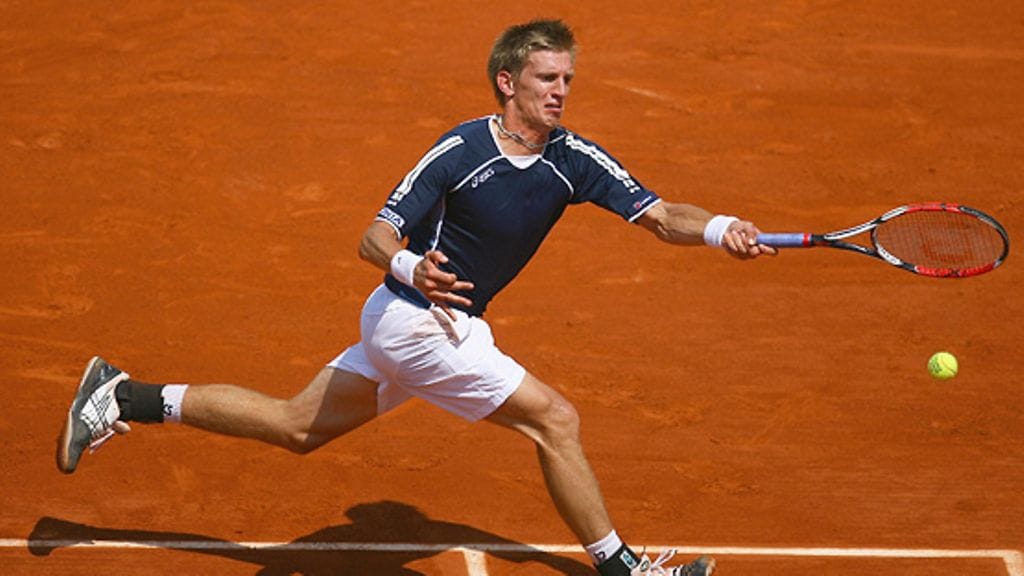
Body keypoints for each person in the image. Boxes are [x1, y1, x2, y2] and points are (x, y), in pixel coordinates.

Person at [57, 19, 776, 576]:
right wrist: (411, 268)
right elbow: (374, 236)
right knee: (554, 420)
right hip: (420, 322)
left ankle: (122, 397)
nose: (560, 91)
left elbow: (657, 216)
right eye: (546, 78)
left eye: (567, 79)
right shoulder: (461, 152)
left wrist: (720, 228)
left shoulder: (573, 160)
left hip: (425, 328)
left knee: (294, 426)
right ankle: (621, 565)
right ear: (507, 82)